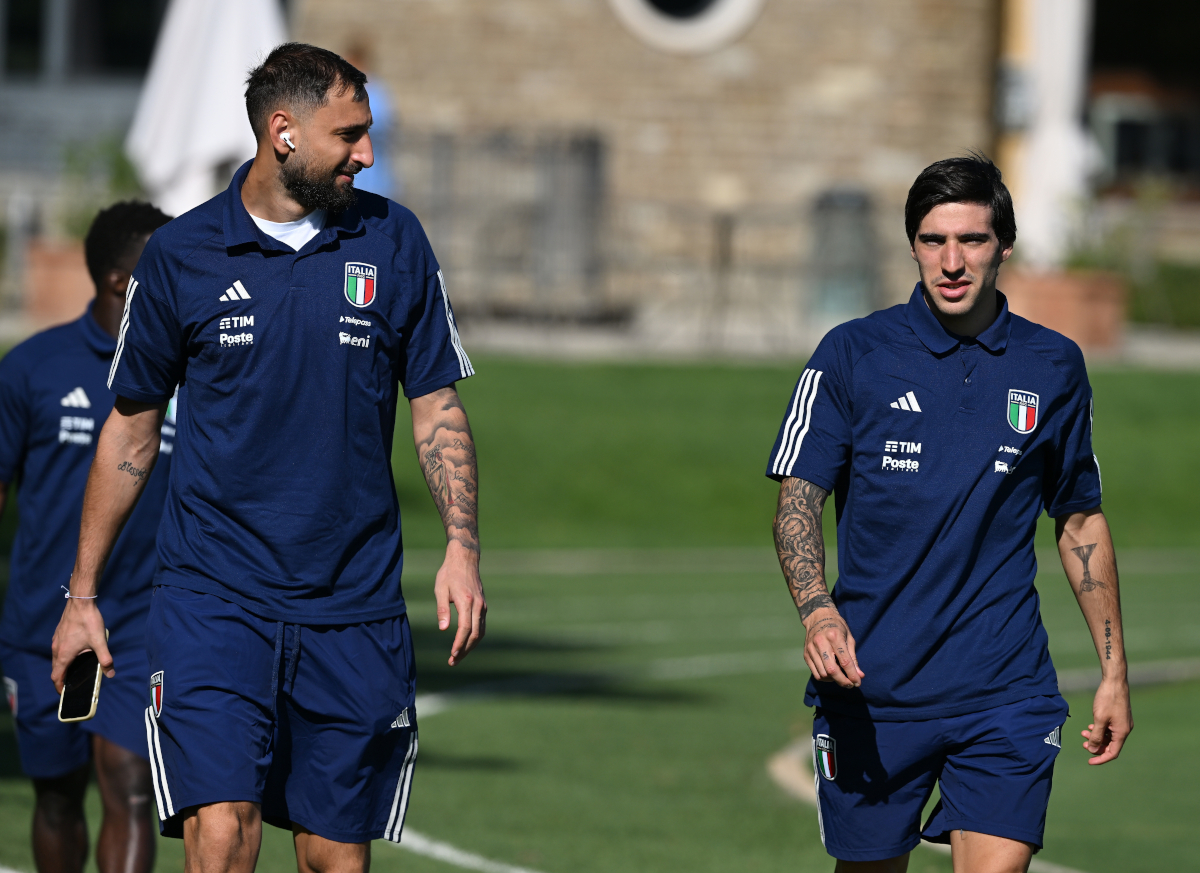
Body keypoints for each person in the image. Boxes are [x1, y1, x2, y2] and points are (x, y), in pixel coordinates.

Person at [49, 42, 485, 873]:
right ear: (282, 132)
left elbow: (436, 406)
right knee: (223, 828)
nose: (368, 151)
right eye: (349, 134)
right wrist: (83, 594)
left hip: (352, 606)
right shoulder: (181, 256)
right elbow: (131, 430)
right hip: (213, 598)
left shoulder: (394, 241)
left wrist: (462, 545)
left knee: (334, 854)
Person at [767, 155, 1132, 873]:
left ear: (1004, 245)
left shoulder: (1052, 365)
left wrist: (1113, 670)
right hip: (872, 690)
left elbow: (1080, 521)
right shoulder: (851, 354)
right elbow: (798, 498)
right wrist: (816, 609)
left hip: (1005, 687)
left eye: (972, 239)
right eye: (934, 240)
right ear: (912, 246)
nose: (952, 261)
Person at [0, 201, 173, 873]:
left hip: (147, 621)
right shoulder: (32, 368)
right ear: (119, 282)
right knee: (58, 797)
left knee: (130, 784)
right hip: (44, 625)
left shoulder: (194, 372)